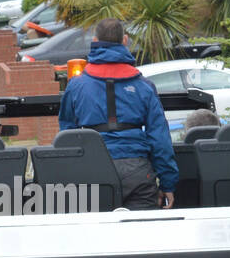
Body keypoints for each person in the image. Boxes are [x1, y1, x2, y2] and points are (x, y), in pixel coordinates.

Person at [58, 18, 178, 209]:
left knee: (96, 235)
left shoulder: (76, 86)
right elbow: (160, 138)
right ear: (125, 40)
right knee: (143, 233)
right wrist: (167, 183)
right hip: (138, 171)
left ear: (95, 40)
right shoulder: (144, 86)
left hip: (93, 169)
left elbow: (67, 136)